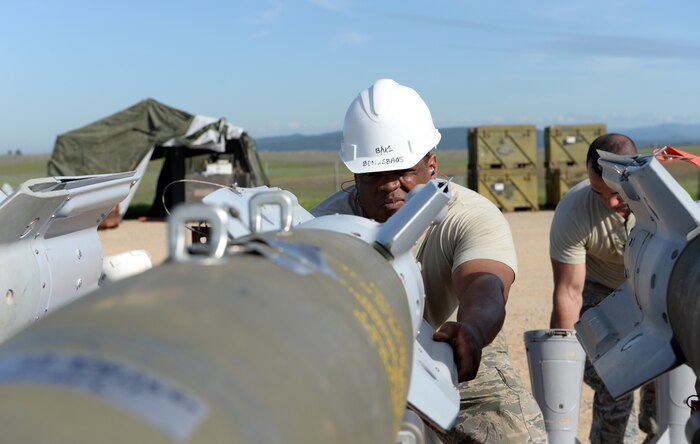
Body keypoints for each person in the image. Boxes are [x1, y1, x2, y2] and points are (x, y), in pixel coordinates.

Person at [311, 78, 546, 443]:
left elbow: (485, 283)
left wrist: (473, 331)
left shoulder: (467, 215)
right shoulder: (325, 227)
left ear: (431, 165)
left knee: (513, 434)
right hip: (364, 363)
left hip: (455, 348)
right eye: (375, 173)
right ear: (355, 175)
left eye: (404, 169)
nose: (390, 184)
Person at [549, 133, 656, 443]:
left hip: (654, 289)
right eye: (599, 192)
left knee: (668, 367)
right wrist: (562, 360)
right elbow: (569, 292)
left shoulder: (664, 205)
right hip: (602, 292)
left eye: (618, 193)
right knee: (615, 376)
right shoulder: (574, 211)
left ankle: (660, 432)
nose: (610, 202)